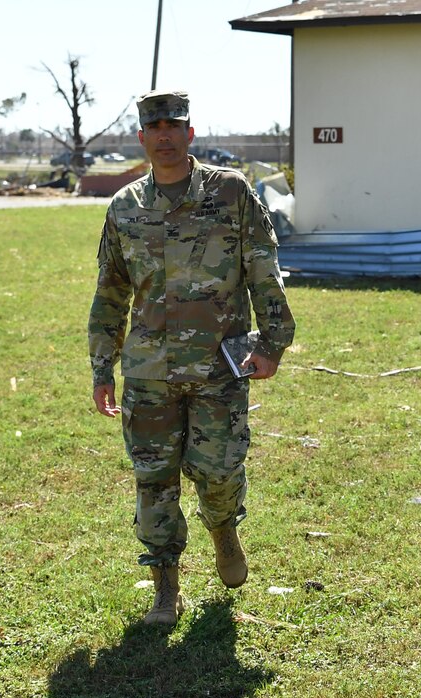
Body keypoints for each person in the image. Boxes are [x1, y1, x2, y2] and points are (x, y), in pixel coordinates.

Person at [88, 90, 296, 625]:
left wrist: (273, 341)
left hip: (219, 364)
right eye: (154, 127)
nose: (165, 135)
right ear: (141, 137)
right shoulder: (125, 207)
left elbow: (262, 268)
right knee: (153, 478)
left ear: (190, 132)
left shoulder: (230, 193)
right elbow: (110, 292)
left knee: (220, 470)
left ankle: (223, 529)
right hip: (148, 371)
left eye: (174, 125)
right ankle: (165, 584)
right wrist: (101, 367)